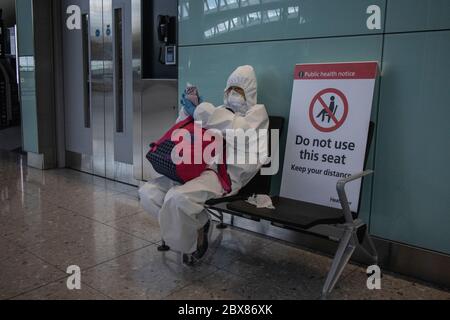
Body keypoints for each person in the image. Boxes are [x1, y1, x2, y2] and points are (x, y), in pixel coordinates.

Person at [139, 65, 269, 263]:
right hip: (197, 167)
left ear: (250, 92)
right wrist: (187, 111)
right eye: (230, 89)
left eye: (239, 90)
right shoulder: (219, 111)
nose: (232, 94)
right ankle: (200, 222)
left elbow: (239, 131)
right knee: (148, 193)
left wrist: (201, 110)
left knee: (177, 198)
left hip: (225, 176)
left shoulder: (257, 115)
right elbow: (186, 131)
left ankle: (193, 245)